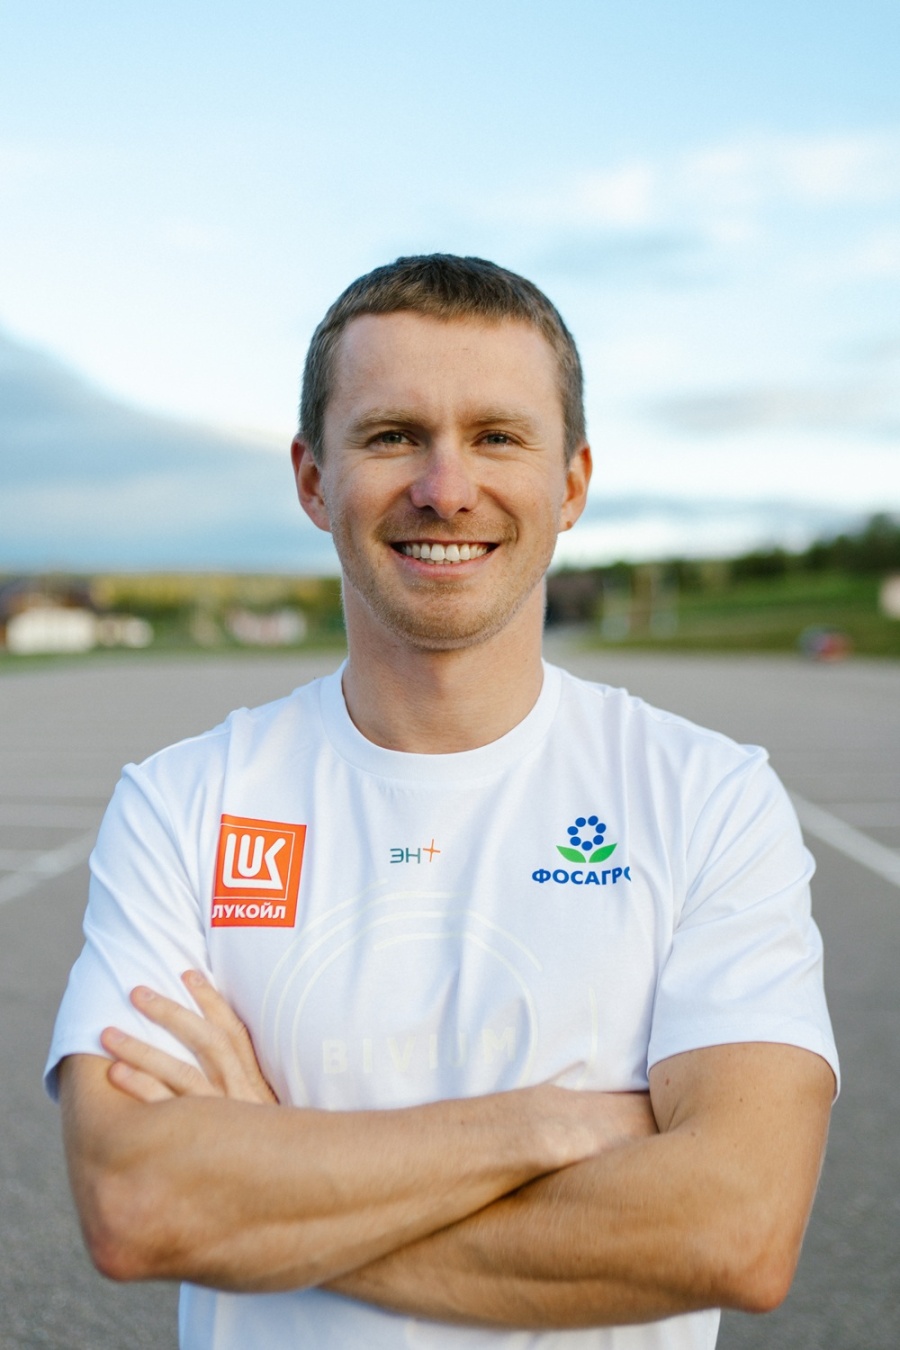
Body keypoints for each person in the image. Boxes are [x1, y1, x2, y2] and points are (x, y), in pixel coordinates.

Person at [47, 254, 838, 1350]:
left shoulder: (709, 799)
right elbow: (139, 1204)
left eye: (498, 436)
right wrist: (544, 1127)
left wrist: (265, 1180)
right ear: (313, 479)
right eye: (392, 436)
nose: (446, 487)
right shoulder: (183, 802)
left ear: (572, 483)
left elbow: (735, 1232)